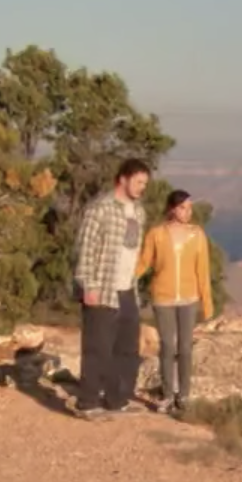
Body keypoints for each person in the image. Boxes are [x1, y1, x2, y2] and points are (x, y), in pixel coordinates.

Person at [72, 158, 150, 415]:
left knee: (126, 348)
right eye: (138, 182)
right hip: (102, 287)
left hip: (127, 288)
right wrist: (88, 286)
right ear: (123, 178)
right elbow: (86, 248)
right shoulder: (100, 208)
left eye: (145, 183)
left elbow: (133, 251)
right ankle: (88, 402)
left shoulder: (139, 212)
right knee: (98, 347)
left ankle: (117, 399)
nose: (142, 188)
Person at [135, 188, 215, 412]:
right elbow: (143, 263)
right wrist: (125, 278)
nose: (187, 211)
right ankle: (168, 394)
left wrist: (207, 303)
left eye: (189, 207)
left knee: (186, 347)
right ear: (172, 208)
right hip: (163, 298)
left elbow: (203, 269)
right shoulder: (156, 234)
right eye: (182, 207)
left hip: (189, 299)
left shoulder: (197, 234)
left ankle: (185, 396)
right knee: (168, 346)